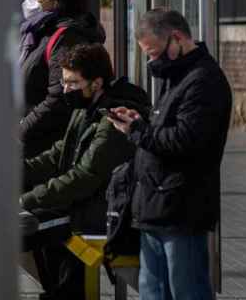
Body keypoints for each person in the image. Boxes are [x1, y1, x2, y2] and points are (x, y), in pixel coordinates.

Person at [107, 8, 232, 300]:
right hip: (156, 205)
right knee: (155, 290)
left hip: (181, 207)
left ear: (176, 38)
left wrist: (136, 131)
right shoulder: (176, 76)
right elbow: (166, 130)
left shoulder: (203, 81)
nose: (152, 60)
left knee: (186, 289)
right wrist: (140, 121)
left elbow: (185, 140)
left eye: (153, 52)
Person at [20, 43, 150, 300]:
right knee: (29, 225)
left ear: (97, 83)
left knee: (22, 227)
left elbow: (85, 176)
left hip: (100, 212)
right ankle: (61, 291)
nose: (66, 90)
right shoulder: (85, 110)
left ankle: (64, 293)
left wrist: (27, 199)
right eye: (65, 82)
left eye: (73, 83)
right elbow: (58, 154)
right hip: (82, 205)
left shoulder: (113, 118)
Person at [19, 0, 105, 159]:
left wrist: (20, 130)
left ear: (56, 0)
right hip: (32, 138)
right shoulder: (41, 31)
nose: (31, 0)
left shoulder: (67, 37)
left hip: (44, 145)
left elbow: (58, 98)